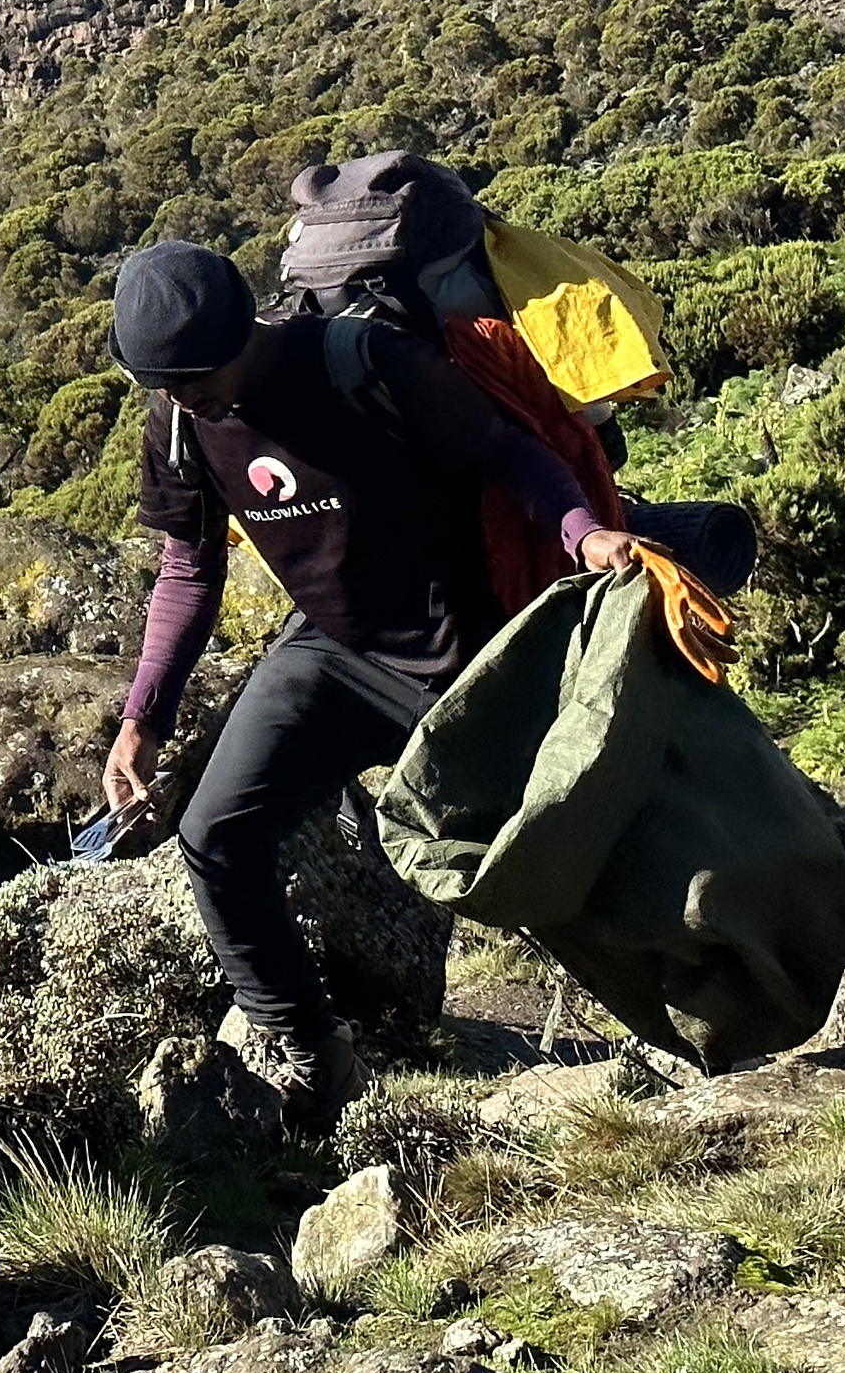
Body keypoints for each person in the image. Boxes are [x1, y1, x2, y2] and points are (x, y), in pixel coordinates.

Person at [99, 238, 638, 1129]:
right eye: (160, 384)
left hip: (478, 660)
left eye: (192, 381)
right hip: (340, 652)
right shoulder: (180, 422)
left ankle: (691, 1019)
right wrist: (140, 718)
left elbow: (507, 452)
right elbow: (188, 571)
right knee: (215, 838)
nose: (177, 399)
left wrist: (584, 534)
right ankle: (315, 1057)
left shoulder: (363, 362)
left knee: (561, 861)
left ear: (241, 337)